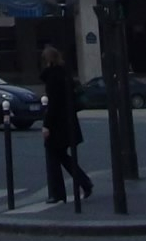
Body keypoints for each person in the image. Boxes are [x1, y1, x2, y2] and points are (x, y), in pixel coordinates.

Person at [39, 46, 92, 204]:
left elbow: (54, 103)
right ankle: (84, 182)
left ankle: (58, 192)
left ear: (47, 61)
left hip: (57, 123)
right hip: (68, 121)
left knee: (53, 154)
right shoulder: (64, 74)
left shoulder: (52, 77)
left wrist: (46, 125)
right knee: (62, 155)